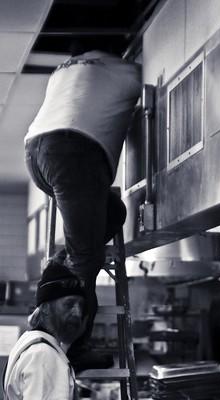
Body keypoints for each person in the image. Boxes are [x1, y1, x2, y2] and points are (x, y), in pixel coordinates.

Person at [24, 43, 142, 364]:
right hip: (74, 152)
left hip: (36, 153)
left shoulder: (66, 69)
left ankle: (63, 262)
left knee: (114, 212)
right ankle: (76, 347)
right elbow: (140, 93)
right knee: (86, 258)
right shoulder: (129, 71)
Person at [3, 259, 88, 400]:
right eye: (69, 304)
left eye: (81, 305)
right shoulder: (44, 355)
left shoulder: (30, 341)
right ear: (46, 308)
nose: (78, 313)